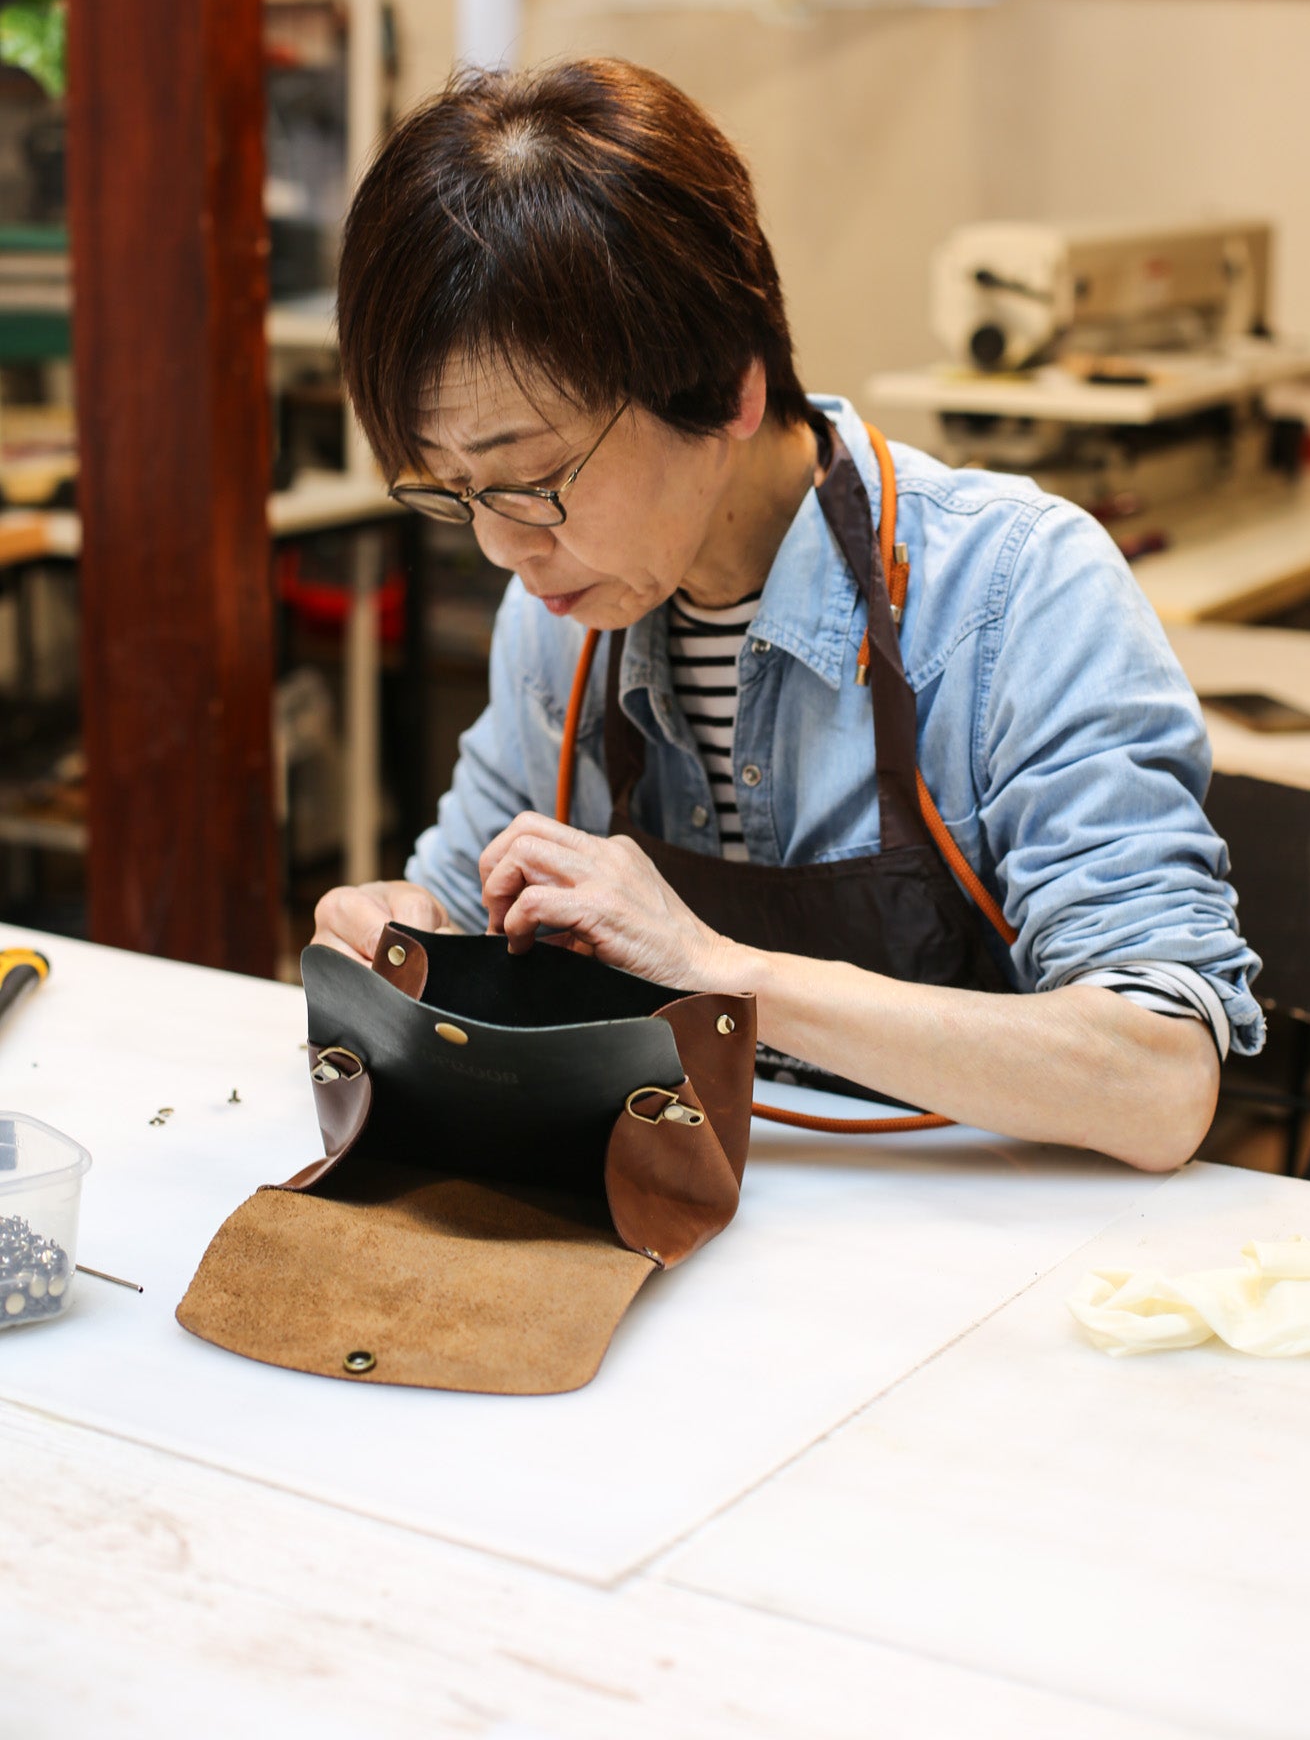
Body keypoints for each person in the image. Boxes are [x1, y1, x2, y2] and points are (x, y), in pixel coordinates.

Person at [313, 57, 1261, 1174]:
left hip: (992, 1270)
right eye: (450, 491)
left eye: (530, 477)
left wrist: (713, 965)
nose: (501, 546)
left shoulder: (1014, 592)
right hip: (699, 1241)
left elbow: (1159, 1079)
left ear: (725, 384)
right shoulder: (561, 619)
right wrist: (398, 939)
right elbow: (452, 911)